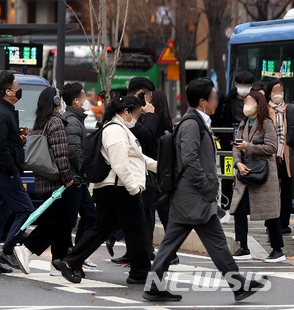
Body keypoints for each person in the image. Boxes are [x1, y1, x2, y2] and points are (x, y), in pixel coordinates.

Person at [143, 78, 267, 302]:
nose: (217, 99)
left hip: (191, 196)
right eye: (213, 96)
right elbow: (190, 159)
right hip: (195, 196)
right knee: (214, 242)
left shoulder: (198, 122)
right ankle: (237, 285)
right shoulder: (191, 124)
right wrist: (208, 186)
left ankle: (154, 286)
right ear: (202, 102)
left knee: (180, 243)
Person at [52, 96, 156, 284]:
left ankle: (70, 261)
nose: (137, 118)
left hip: (111, 188)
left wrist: (162, 167)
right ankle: (139, 273)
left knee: (101, 229)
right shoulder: (116, 131)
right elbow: (120, 164)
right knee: (138, 229)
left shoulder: (119, 129)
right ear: (126, 112)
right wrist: (134, 189)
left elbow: (139, 158)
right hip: (119, 188)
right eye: (137, 113)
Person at [12, 87, 74, 275]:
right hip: (57, 182)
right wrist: (67, 178)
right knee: (56, 223)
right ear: (55, 101)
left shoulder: (41, 121)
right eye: (60, 99)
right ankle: (27, 248)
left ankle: (59, 262)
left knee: (60, 223)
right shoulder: (56, 122)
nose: (62, 102)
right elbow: (61, 154)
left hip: (43, 180)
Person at [0, 71, 34, 274]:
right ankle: (8, 249)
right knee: (26, 210)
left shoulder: (3, 111)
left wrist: (18, 141)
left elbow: (4, 143)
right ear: (8, 91)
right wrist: (12, 170)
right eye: (17, 86)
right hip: (3, 172)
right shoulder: (1, 113)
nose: (19, 90)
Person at [230, 91, 284, 262]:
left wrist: (249, 146)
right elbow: (236, 146)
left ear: (257, 104)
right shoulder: (243, 123)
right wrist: (237, 163)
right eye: (245, 101)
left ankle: (277, 250)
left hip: (264, 174)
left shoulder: (266, 123)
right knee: (239, 209)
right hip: (246, 173)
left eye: (249, 101)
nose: (246, 104)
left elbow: (271, 147)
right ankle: (243, 247)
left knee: (271, 212)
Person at [109, 76, 158, 264]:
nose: (150, 102)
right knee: (136, 217)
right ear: (141, 94)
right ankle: (139, 259)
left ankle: (140, 258)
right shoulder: (125, 117)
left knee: (141, 216)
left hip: (141, 172)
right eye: (149, 97)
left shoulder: (131, 115)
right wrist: (151, 114)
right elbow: (146, 136)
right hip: (130, 177)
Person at [60, 82, 97, 268]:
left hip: (78, 179)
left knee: (89, 215)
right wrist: (87, 171)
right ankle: (71, 255)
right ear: (76, 101)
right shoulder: (73, 122)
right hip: (75, 179)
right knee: (71, 219)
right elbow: (74, 152)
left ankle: (77, 253)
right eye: (83, 96)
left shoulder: (76, 119)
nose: (86, 100)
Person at [213, 71, 255, 215]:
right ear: (236, 84)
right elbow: (216, 119)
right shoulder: (226, 100)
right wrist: (220, 136)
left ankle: (247, 204)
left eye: (247, 85)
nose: (243, 88)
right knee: (228, 173)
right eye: (241, 84)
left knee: (249, 172)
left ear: (251, 86)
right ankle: (227, 202)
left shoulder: (255, 100)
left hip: (249, 144)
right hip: (228, 143)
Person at [146, 90, 178, 264]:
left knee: (159, 212)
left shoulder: (158, 123)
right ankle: (160, 251)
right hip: (160, 172)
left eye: (150, 100)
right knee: (158, 212)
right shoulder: (166, 122)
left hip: (157, 172)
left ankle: (169, 252)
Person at [264, 80, 292, 235]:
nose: (278, 93)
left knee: (287, 189)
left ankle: (284, 223)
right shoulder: (265, 110)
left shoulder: (289, 109)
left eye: (280, 90)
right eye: (275, 90)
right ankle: (271, 222)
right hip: (271, 155)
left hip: (286, 155)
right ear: (269, 92)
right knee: (271, 189)